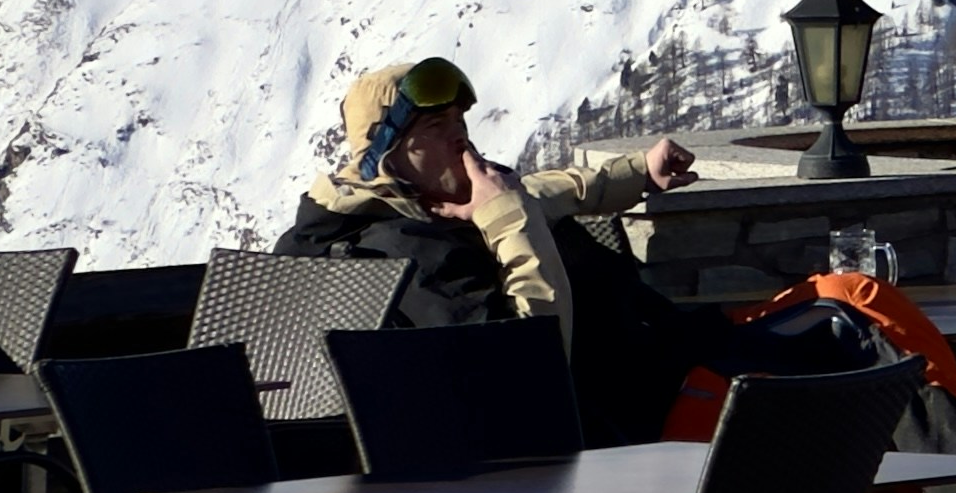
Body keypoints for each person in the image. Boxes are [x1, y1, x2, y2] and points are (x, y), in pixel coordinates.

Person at [282, 58, 703, 431]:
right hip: (557, 451)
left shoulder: (403, 209)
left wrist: (636, 174)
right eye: (435, 126)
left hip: (635, 391)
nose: (459, 138)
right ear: (387, 153)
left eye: (459, 121)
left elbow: (535, 191)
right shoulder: (407, 258)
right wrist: (507, 219)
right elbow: (535, 363)